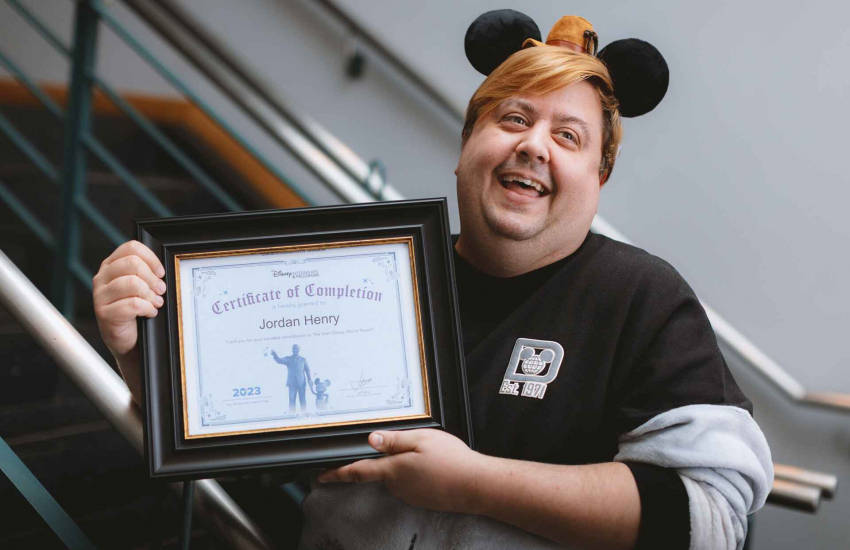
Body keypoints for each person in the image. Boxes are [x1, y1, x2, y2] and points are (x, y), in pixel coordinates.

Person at [92, 12, 772, 550]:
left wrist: (478, 484)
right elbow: (235, 431)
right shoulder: (372, 280)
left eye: (569, 136)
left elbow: (713, 520)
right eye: (513, 118)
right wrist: (139, 350)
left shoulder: (643, 299)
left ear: (599, 177)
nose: (533, 144)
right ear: (466, 147)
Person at [271, 344, 314, 413]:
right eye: (293, 348)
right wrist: (275, 355)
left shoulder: (303, 360)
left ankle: (304, 414)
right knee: (292, 400)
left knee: (302, 400)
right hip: (292, 384)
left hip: (301, 383)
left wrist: (309, 379)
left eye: (296, 348)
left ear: (299, 350)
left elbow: (307, 370)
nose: (295, 350)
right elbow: (279, 360)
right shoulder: (288, 359)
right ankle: (292, 414)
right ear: (292, 349)